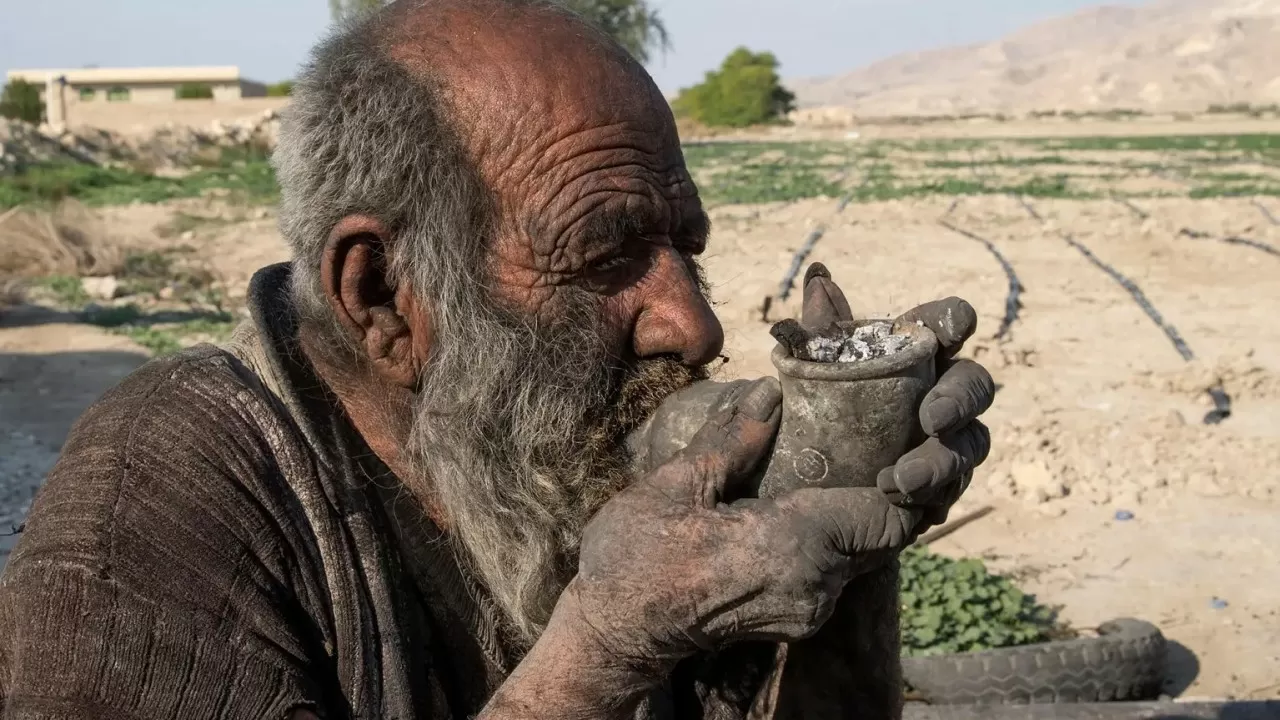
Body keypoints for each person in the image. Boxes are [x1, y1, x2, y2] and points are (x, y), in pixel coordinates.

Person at [0, 1, 995, 718]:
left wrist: (848, 522)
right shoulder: (160, 496)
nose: (693, 327)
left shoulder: (549, 456)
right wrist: (601, 654)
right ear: (383, 298)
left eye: (683, 246)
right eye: (601, 256)